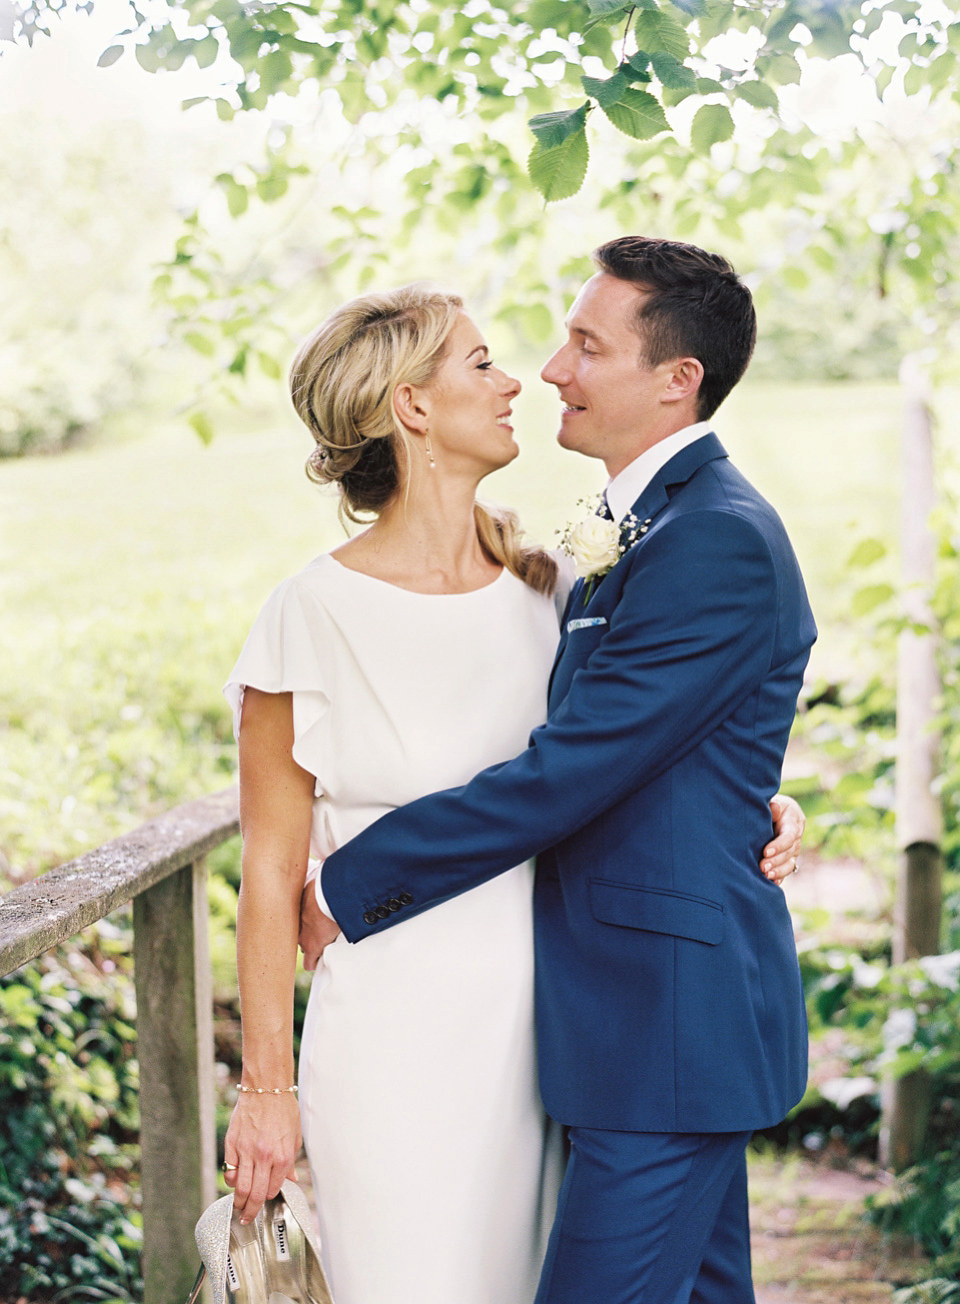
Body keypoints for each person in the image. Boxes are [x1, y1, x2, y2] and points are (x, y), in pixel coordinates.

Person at [220, 278, 805, 1304]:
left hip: (557, 1030)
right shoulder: (307, 610)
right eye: (481, 363)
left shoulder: (555, 567)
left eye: (562, 348)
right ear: (410, 406)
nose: (525, 380)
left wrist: (747, 800)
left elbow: (631, 730)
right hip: (398, 1028)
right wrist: (267, 1090)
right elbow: (269, 872)